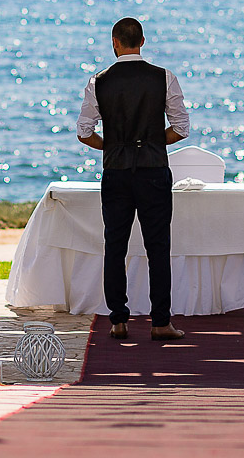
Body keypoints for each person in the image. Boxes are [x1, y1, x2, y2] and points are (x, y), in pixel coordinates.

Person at [77, 17, 190, 341]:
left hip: (116, 171)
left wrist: (111, 145)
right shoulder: (163, 78)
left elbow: (84, 132)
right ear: (142, 41)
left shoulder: (98, 81)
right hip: (153, 171)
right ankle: (160, 322)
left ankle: (118, 320)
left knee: (115, 246)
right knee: (158, 247)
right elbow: (181, 127)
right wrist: (154, 141)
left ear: (115, 42)